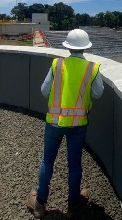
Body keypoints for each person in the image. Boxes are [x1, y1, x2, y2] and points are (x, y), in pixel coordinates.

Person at [26, 29, 104, 219]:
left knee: (47, 161)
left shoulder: (57, 64)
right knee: (74, 164)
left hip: (54, 122)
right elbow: (98, 93)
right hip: (78, 124)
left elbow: (44, 91)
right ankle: (73, 205)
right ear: (86, 48)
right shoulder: (92, 69)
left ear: (67, 47)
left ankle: (40, 204)